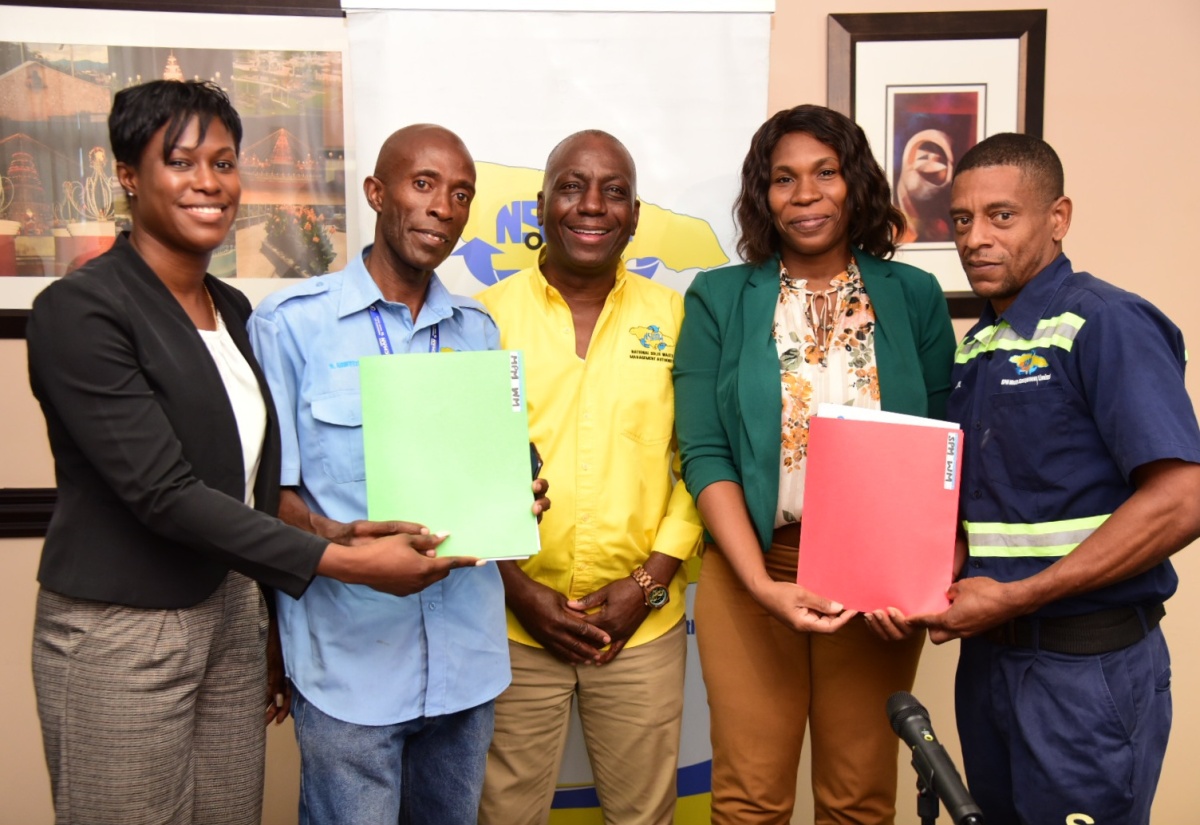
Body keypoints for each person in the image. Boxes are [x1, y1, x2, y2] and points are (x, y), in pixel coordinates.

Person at [26, 81, 475, 825]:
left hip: (232, 613)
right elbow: (164, 492)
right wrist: (345, 563)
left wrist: (334, 532)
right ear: (128, 176)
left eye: (225, 161)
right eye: (181, 160)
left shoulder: (234, 311)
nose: (209, 181)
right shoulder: (80, 310)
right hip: (121, 628)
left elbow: (246, 484)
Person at [248, 124, 547, 825]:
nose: (444, 206)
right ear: (377, 193)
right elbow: (270, 501)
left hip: (466, 665)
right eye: (423, 184)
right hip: (349, 665)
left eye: (461, 193)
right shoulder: (291, 325)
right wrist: (347, 547)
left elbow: (496, 472)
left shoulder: (478, 330)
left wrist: (520, 493)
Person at [672, 104, 957, 824]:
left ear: (854, 181)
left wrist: (926, 571)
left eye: (825, 173)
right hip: (752, 568)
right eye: (783, 178)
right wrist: (762, 585)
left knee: (858, 798)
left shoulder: (912, 295)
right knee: (748, 800)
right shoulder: (718, 297)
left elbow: (944, 443)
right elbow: (705, 451)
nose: (804, 194)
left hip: (877, 581)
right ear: (762, 196)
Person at [911, 132, 1200, 824]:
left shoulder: (1105, 323)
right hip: (991, 667)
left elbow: (1182, 500)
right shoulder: (980, 344)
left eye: (1001, 216)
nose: (975, 238)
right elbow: (988, 513)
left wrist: (1019, 597)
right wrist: (921, 576)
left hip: (1085, 669)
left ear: (1058, 219)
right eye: (961, 219)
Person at [476, 130, 704, 825]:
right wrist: (518, 591)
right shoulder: (482, 320)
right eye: (572, 186)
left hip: (641, 624)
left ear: (635, 215)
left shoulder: (677, 319)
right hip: (512, 622)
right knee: (505, 816)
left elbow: (700, 459)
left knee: (643, 817)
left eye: (614, 191)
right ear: (542, 204)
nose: (592, 205)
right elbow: (466, 472)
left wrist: (648, 583)